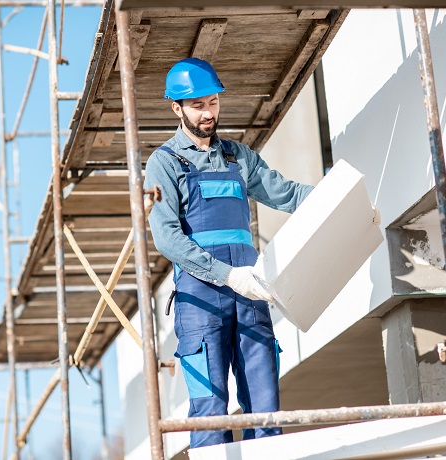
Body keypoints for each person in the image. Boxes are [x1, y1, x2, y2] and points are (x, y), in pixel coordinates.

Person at [144, 57, 314, 448]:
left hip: (251, 293)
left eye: (214, 103)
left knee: (265, 406)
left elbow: (285, 193)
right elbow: (167, 239)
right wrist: (226, 274)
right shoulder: (165, 164)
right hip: (201, 301)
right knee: (210, 409)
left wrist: (337, 191)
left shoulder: (238, 157)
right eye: (198, 105)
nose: (208, 113)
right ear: (177, 108)